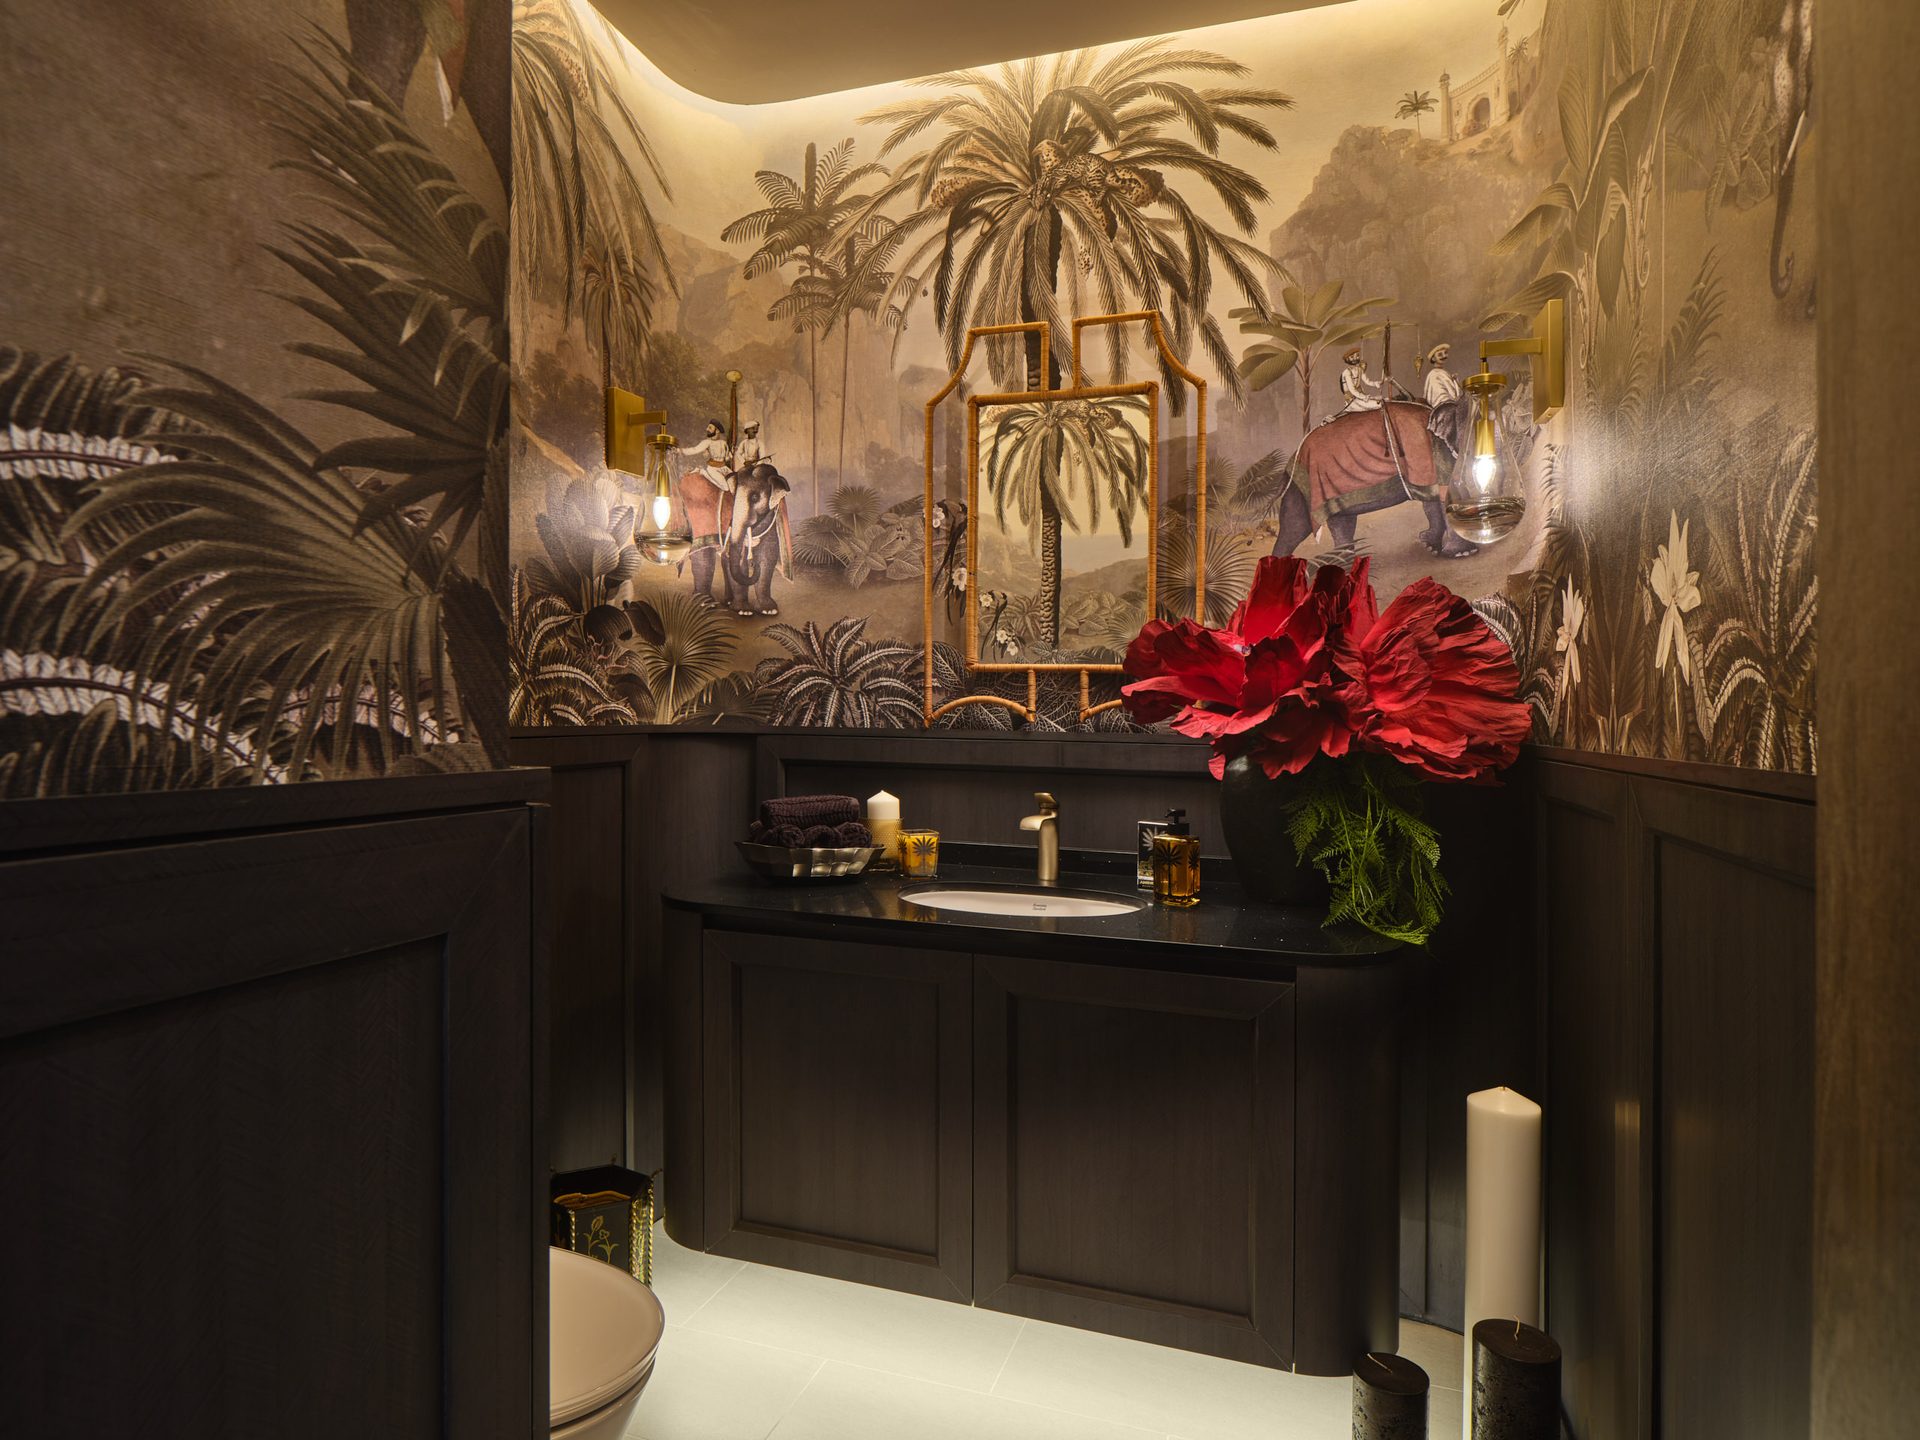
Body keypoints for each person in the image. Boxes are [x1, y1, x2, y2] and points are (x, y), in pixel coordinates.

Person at [677, 419, 737, 608]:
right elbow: (693, 450)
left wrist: (731, 453)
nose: (707, 429)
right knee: (726, 486)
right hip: (713, 471)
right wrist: (679, 451)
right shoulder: (707, 443)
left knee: (735, 486)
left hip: (724, 469)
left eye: (710, 427)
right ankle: (702, 592)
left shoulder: (722, 443)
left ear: (717, 430)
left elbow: (727, 456)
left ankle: (734, 594)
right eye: (708, 427)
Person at [1422, 343, 1469, 455]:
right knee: (1450, 415)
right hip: (1442, 406)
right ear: (1433, 358)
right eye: (1440, 354)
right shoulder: (1433, 374)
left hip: (1453, 404)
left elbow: (1457, 393)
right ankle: (1453, 447)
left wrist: (1455, 382)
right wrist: (1449, 401)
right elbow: (1439, 392)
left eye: (1445, 353)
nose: (1443, 355)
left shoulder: (1445, 373)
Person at [1336, 347, 1383, 414]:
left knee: (1381, 399)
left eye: (1357, 356)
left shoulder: (1359, 369)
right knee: (1378, 404)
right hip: (1352, 400)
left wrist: (1376, 383)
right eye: (1352, 357)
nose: (1355, 358)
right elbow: (1352, 390)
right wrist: (1363, 397)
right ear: (1347, 359)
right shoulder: (1347, 372)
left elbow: (1367, 381)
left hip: (1361, 396)